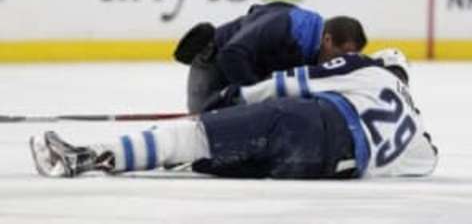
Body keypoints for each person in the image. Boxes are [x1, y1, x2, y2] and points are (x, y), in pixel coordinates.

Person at [30, 48, 438, 179]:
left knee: (196, 133)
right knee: (211, 157)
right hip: (327, 167)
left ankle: (84, 157)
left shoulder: (367, 69)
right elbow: (426, 162)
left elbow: (289, 84)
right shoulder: (417, 131)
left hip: (312, 122)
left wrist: (238, 97)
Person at [174, 1, 368, 113]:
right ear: (327, 40)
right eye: (340, 55)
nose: (338, 63)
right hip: (213, 67)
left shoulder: (312, 49)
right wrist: (259, 96)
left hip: (237, 72)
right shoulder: (285, 26)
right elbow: (231, 55)